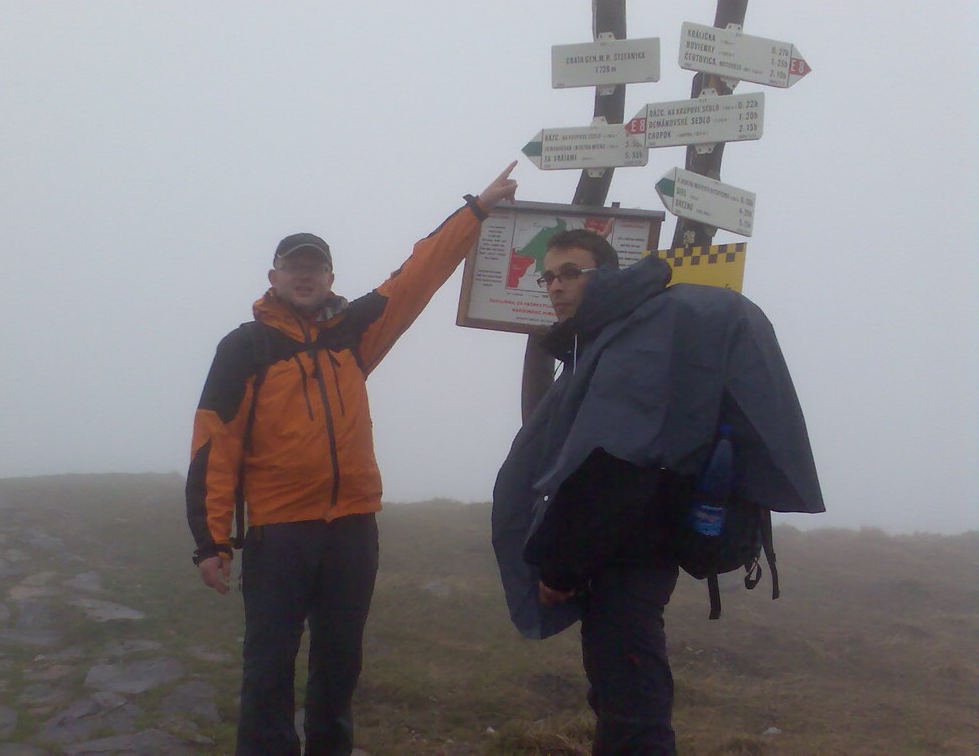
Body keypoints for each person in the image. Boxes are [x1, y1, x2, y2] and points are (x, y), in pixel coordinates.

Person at [185, 162, 518, 756]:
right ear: (274, 277)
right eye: (295, 267)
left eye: (314, 267)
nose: (305, 276)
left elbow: (417, 275)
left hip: (352, 528)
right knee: (269, 662)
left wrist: (477, 211)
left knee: (340, 661)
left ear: (330, 276)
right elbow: (214, 446)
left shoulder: (352, 333)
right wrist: (212, 542)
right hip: (279, 531)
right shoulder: (246, 346)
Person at [492, 229, 823, 756]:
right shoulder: (609, 336)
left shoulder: (631, 339)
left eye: (571, 273)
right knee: (619, 688)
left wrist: (560, 568)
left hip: (630, 549)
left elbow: (619, 463)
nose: (555, 287)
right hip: (628, 543)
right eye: (548, 276)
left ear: (606, 275)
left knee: (631, 701)